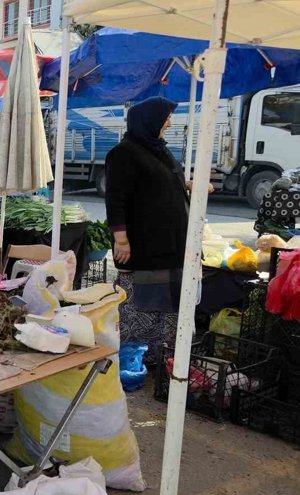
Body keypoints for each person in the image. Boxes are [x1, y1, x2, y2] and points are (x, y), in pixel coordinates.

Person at [106, 96, 213, 365]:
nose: (169, 123)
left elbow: (164, 182)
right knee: (140, 303)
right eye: (165, 118)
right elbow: (115, 199)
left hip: (172, 245)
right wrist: (121, 239)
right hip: (144, 245)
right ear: (148, 120)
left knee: (169, 305)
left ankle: (160, 357)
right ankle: (129, 357)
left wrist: (191, 185)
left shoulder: (160, 151)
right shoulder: (124, 153)